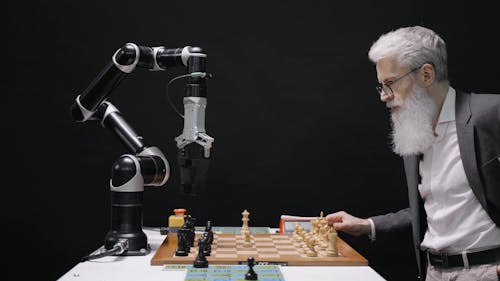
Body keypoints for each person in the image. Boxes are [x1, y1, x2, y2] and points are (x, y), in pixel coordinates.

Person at [326, 26, 500, 281]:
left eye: (389, 83)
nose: (384, 97)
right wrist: (367, 225)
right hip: (433, 272)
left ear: (426, 75)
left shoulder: (491, 114)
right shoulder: (415, 133)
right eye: (381, 86)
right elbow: (434, 209)